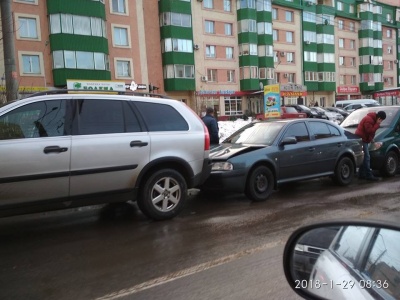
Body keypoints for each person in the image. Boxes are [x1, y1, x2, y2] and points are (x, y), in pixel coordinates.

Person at [355, 110, 386, 181]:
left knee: (365, 157)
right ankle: (368, 175)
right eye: (381, 120)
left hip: (364, 139)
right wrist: (377, 125)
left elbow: (369, 133)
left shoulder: (372, 119)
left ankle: (361, 174)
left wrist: (371, 139)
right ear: (379, 118)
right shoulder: (369, 120)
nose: (381, 122)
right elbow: (369, 131)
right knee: (367, 157)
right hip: (362, 139)